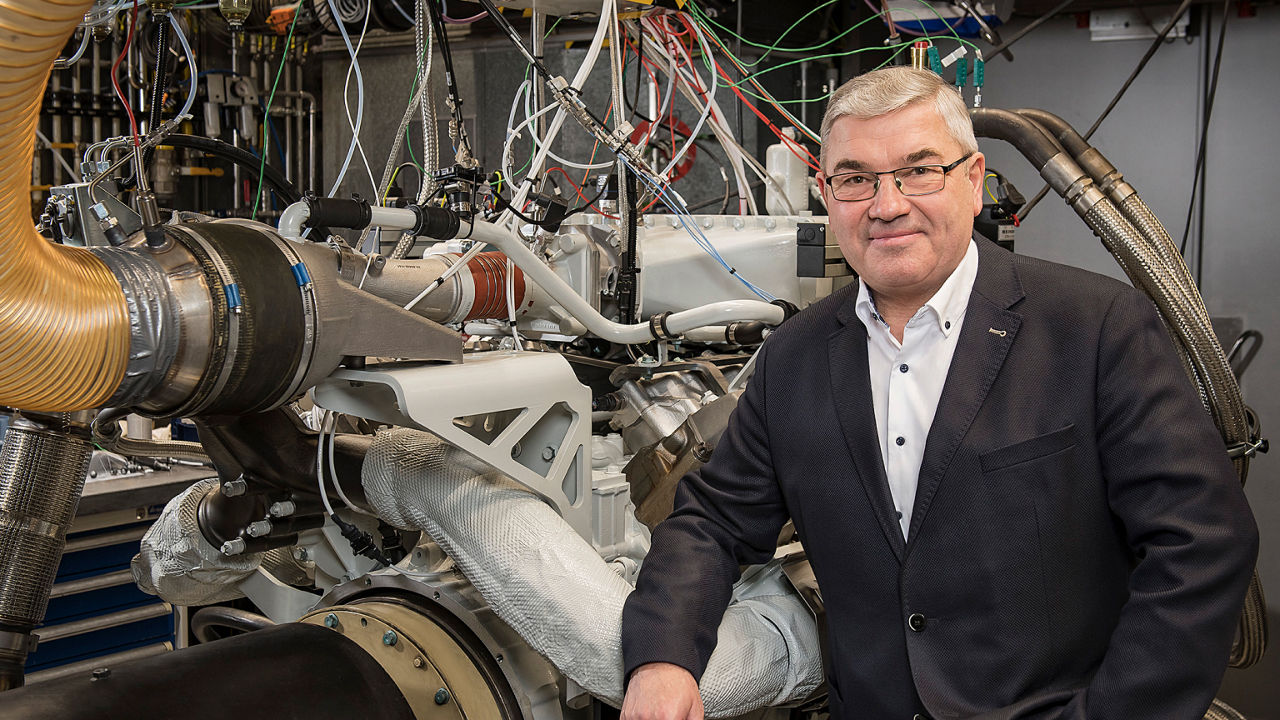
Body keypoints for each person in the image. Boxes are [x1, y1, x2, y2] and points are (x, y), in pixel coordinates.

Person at [619, 67, 1258, 720]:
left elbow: (1202, 546)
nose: (887, 204)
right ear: (826, 192)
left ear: (973, 180)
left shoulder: (1095, 329)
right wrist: (663, 657)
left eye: (919, 170)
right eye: (856, 178)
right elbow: (714, 522)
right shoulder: (795, 358)